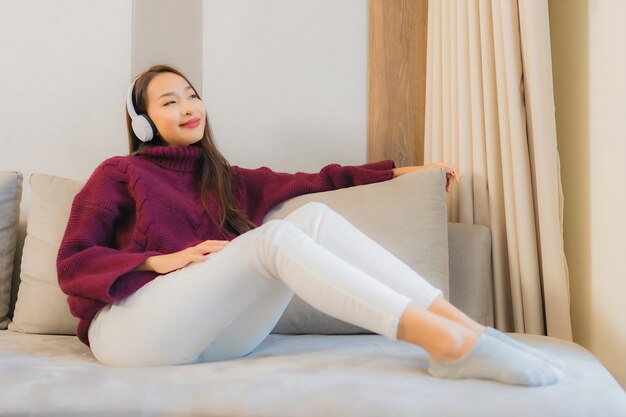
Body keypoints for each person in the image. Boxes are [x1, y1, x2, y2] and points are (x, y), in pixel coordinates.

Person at [57, 64, 561, 386]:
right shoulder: (119, 174)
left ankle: (470, 330)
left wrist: (406, 171)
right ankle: (444, 345)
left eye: (191, 95)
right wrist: (158, 260)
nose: (188, 107)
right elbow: (73, 262)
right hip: (131, 332)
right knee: (273, 240)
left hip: (217, 338)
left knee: (313, 216)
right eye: (169, 102)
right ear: (143, 123)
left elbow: (321, 180)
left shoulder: (228, 180)